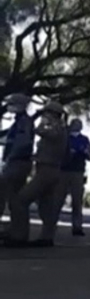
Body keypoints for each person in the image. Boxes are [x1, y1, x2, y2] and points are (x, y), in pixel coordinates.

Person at [5, 101, 68, 248]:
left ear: (52, 114)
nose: (43, 115)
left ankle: (19, 235)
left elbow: (40, 132)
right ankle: (46, 237)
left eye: (45, 112)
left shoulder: (57, 128)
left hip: (47, 171)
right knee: (46, 207)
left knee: (21, 200)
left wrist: (42, 122)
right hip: (48, 170)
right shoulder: (60, 129)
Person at [52, 118, 90, 237]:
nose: (77, 126)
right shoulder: (64, 138)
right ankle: (51, 225)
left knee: (77, 202)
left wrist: (85, 152)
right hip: (63, 171)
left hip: (78, 172)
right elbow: (56, 153)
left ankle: (77, 227)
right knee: (58, 200)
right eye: (75, 124)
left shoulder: (84, 140)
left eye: (79, 124)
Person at [0, 94, 35, 236]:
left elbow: (23, 142)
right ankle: (16, 231)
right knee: (12, 197)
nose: (9, 107)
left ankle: (18, 233)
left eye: (11, 104)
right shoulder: (19, 121)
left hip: (17, 163)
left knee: (14, 197)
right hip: (16, 162)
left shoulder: (24, 122)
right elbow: (8, 137)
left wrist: (11, 157)